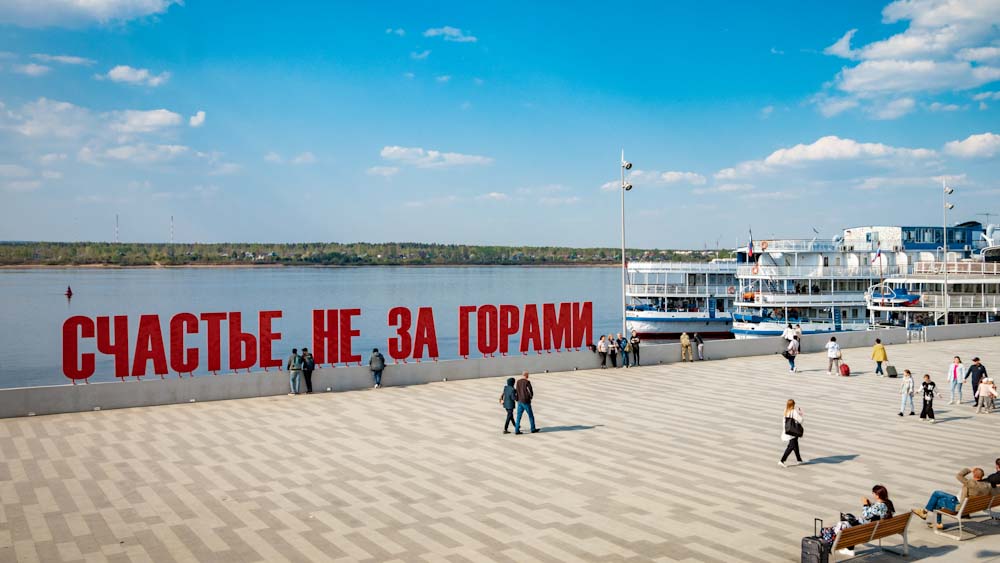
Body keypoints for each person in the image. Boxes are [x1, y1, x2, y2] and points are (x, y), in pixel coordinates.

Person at [820, 485, 896, 555]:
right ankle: (848, 548)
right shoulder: (888, 503)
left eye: (873, 493)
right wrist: (870, 505)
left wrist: (865, 504)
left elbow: (866, 515)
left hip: (866, 530)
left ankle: (842, 547)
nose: (872, 494)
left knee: (842, 526)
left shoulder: (877, 506)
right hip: (877, 529)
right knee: (848, 518)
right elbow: (878, 513)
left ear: (877, 495)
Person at [912, 468, 994, 527]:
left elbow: (959, 475)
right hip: (968, 506)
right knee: (938, 495)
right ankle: (928, 515)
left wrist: (969, 470)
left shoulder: (971, 483)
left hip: (958, 505)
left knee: (937, 496)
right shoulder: (987, 486)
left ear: (974, 475)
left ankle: (928, 515)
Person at [779, 399, 804, 467]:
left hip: (788, 430)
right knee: (791, 447)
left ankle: (799, 460)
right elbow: (801, 420)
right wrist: (800, 413)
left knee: (795, 445)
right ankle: (782, 461)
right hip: (793, 432)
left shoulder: (785, 410)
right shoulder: (794, 411)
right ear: (793, 405)